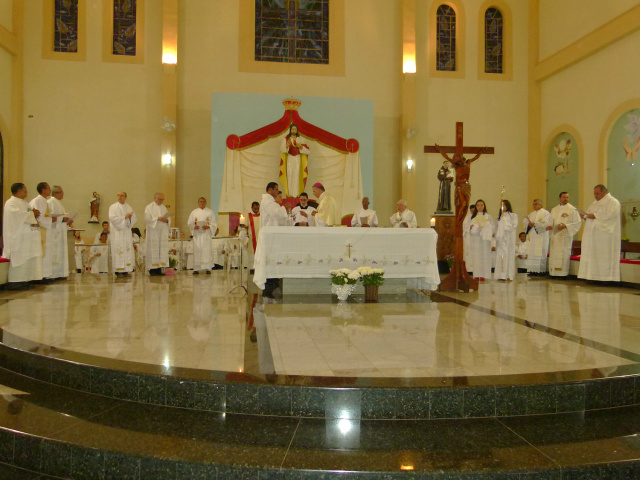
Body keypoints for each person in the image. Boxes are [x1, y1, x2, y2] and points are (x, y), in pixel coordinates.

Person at [2, 183, 43, 289]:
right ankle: (15, 281)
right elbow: (19, 215)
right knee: (19, 258)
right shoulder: (10, 203)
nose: (26, 192)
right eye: (25, 190)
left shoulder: (24, 203)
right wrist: (32, 213)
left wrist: (34, 213)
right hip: (17, 236)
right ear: (19, 191)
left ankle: (25, 280)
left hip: (26, 237)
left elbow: (29, 213)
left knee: (27, 259)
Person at [578, 184, 621, 282]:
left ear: (604, 192)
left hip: (605, 237)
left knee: (604, 257)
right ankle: (593, 277)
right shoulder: (594, 204)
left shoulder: (613, 202)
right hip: (593, 236)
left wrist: (595, 216)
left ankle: (605, 279)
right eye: (594, 194)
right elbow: (589, 215)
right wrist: (585, 216)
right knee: (593, 256)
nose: (595, 196)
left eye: (597, 193)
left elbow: (610, 216)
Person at [259, 182, 290, 297]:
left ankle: (274, 280)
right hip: (269, 235)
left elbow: (280, 219)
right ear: (270, 190)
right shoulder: (267, 201)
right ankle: (269, 283)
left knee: (274, 257)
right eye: (276, 190)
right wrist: (283, 208)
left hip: (273, 234)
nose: (277, 192)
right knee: (270, 258)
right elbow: (277, 214)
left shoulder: (271, 202)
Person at [548, 192, 582, 277]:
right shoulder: (554, 209)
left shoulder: (572, 209)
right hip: (555, 235)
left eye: (567, 197)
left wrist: (566, 226)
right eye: (564, 197)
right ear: (559, 198)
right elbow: (550, 221)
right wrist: (549, 226)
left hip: (565, 235)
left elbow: (577, 222)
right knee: (554, 253)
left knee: (563, 253)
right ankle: (553, 273)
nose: (565, 199)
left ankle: (562, 274)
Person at [29, 182, 55, 280]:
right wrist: (51, 220)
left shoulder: (44, 201)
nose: (50, 190)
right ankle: (40, 276)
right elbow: (38, 217)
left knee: (46, 253)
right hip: (40, 231)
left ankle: (45, 275)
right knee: (41, 253)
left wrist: (50, 219)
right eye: (48, 188)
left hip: (45, 230)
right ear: (43, 190)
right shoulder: (37, 201)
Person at [108, 191, 137, 277]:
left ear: (125, 197)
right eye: (118, 195)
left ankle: (126, 270)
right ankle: (118, 271)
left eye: (121, 196)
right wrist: (124, 217)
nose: (119, 197)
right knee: (118, 250)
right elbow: (113, 218)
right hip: (117, 233)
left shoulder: (129, 207)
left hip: (126, 233)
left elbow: (134, 218)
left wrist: (130, 219)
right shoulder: (113, 207)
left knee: (126, 250)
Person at [47, 185, 72, 279]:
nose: (63, 194)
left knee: (61, 253)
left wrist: (67, 220)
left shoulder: (59, 203)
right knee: (55, 253)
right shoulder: (50, 202)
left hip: (60, 231)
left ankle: (60, 273)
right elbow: (50, 217)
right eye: (61, 192)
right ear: (54, 193)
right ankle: (53, 274)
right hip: (54, 233)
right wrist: (62, 219)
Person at [187, 197, 217, 275]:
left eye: (204, 202)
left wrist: (209, 226)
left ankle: (207, 267)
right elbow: (190, 223)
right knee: (198, 251)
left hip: (206, 234)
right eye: (201, 202)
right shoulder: (194, 212)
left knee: (206, 251)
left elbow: (214, 224)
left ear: (206, 202)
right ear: (198, 202)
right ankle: (196, 268)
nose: (202, 203)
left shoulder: (210, 212)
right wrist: (194, 227)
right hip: (197, 235)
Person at [523, 198, 551, 276]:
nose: (534, 206)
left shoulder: (546, 213)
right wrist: (529, 224)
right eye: (533, 204)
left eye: (536, 204)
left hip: (541, 236)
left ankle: (540, 271)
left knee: (540, 253)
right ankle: (532, 270)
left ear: (540, 205)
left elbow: (546, 223)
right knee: (532, 253)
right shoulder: (531, 214)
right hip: (532, 237)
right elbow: (525, 222)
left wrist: (534, 224)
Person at [144, 192, 171, 276]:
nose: (161, 201)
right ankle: (152, 269)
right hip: (153, 232)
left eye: (162, 199)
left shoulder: (163, 208)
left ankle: (159, 269)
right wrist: (157, 219)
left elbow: (168, 218)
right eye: (160, 199)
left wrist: (166, 220)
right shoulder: (149, 207)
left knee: (161, 249)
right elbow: (147, 219)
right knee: (153, 249)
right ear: (155, 198)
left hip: (162, 232)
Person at [280, 124, 310, 198]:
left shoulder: (301, 139)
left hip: (297, 158)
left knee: (296, 175)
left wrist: (300, 146)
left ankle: (296, 194)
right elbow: (281, 149)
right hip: (290, 157)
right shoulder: (286, 139)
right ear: (290, 130)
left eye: (295, 129)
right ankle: (289, 195)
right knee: (289, 175)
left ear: (297, 130)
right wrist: (287, 145)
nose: (294, 130)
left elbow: (308, 151)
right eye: (292, 129)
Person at [493, 199, 518, 281]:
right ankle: (500, 275)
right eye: (501, 205)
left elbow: (514, 226)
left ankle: (509, 275)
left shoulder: (513, 215)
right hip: (500, 240)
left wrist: (505, 224)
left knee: (509, 256)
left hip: (509, 239)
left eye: (504, 205)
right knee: (500, 256)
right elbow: (495, 229)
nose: (502, 207)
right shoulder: (499, 218)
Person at [468, 199, 493, 281]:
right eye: (478, 205)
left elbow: (492, 227)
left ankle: (483, 274)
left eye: (481, 205)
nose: (480, 207)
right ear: (476, 206)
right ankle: (476, 274)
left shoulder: (488, 216)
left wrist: (485, 227)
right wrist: (478, 228)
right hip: (477, 239)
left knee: (484, 257)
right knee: (476, 256)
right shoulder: (473, 217)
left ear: (484, 206)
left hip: (485, 240)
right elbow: (471, 229)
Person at [462, 205, 476, 273]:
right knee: (468, 254)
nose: (473, 212)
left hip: (475, 238)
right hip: (468, 238)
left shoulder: (477, 217)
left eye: (474, 211)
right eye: (472, 211)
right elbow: (464, 228)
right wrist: (469, 228)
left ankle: (474, 269)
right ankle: (468, 269)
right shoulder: (467, 218)